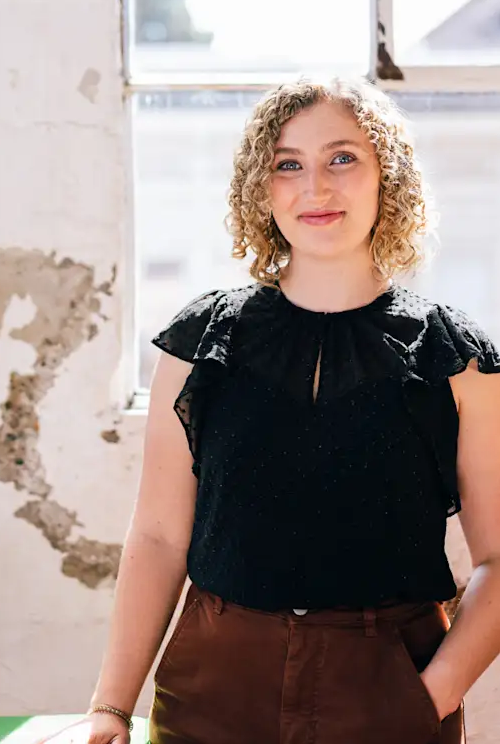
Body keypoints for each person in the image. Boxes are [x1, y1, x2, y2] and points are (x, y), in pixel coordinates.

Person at [83, 77, 500, 744]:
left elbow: (497, 560)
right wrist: (110, 704)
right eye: (287, 164)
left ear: (385, 176)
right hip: (211, 688)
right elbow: (159, 537)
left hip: (388, 685)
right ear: (261, 186)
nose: (315, 186)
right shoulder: (201, 344)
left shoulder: (457, 359)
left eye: (341, 158)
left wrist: (426, 697)